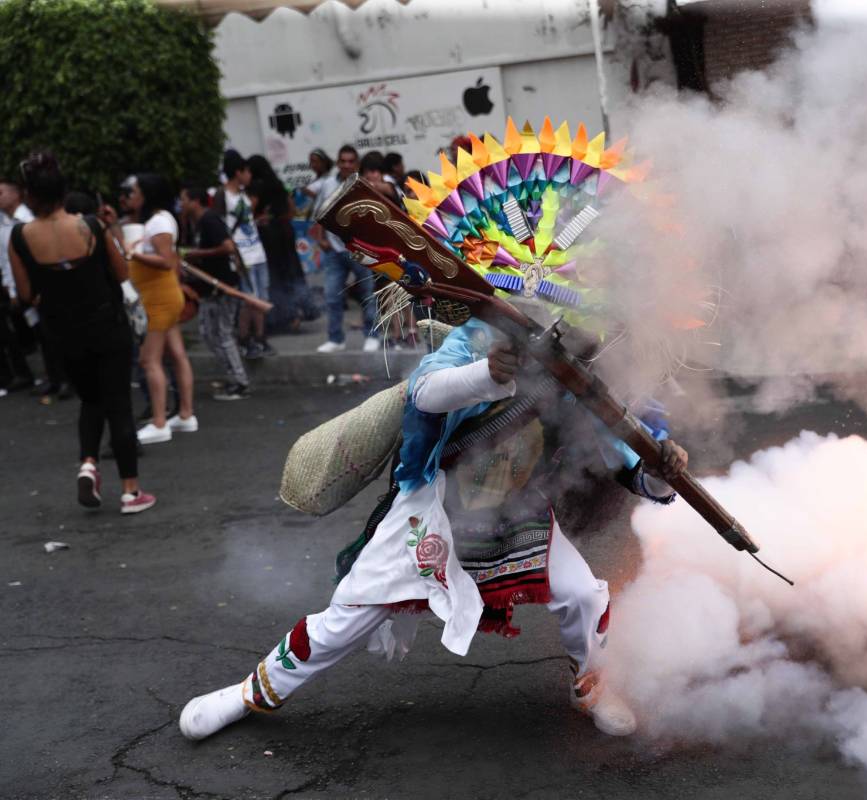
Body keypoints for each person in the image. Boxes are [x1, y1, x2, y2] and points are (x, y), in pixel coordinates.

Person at [180, 313, 689, 741]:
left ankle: (592, 685)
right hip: (434, 510)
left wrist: (662, 473)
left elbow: (628, 461)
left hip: (520, 516)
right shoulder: (475, 336)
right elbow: (425, 393)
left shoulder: (584, 379)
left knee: (580, 594)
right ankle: (251, 692)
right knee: (346, 620)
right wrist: (489, 375)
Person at [7, 151, 155, 513]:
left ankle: (88, 464)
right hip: (106, 325)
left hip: (62, 334)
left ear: (30, 195)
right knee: (118, 403)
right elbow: (121, 273)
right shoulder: (90, 226)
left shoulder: (20, 236)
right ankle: (131, 492)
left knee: (90, 400)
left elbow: (26, 294)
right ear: (63, 189)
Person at [127, 173, 197, 444]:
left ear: (147, 195)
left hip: (159, 298)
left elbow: (167, 261)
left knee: (149, 360)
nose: (132, 197)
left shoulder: (157, 222)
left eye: (135, 192)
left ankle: (159, 422)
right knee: (177, 354)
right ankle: (185, 414)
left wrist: (133, 254)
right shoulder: (161, 219)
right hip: (163, 295)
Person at [179, 183, 249, 401]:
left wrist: (197, 253)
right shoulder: (198, 223)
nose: (181, 204)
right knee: (209, 335)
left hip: (223, 288)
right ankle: (233, 376)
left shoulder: (209, 220)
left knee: (222, 334)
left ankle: (240, 382)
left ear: (195, 201)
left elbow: (227, 247)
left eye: (184, 199)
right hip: (211, 289)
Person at [311, 145, 380, 353]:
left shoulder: (363, 184)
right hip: (334, 250)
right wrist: (321, 240)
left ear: (356, 164)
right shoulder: (327, 185)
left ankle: (372, 336)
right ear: (338, 162)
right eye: (343, 161)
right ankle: (335, 339)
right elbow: (319, 214)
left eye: (351, 161)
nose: (347, 165)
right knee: (332, 296)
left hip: (361, 249)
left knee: (367, 294)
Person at [213, 150, 272, 359]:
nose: (249, 176)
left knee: (261, 297)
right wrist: (233, 255)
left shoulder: (242, 195)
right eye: (246, 171)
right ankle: (247, 339)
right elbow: (220, 225)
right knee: (249, 299)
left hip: (257, 252)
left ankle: (260, 338)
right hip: (242, 254)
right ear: (238, 172)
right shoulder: (223, 195)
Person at [0, 177, 35, 395]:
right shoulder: (3, 221)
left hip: (30, 284)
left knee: (45, 332)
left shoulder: (27, 220)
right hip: (12, 284)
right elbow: (4, 258)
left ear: (17, 194)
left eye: (2, 192)